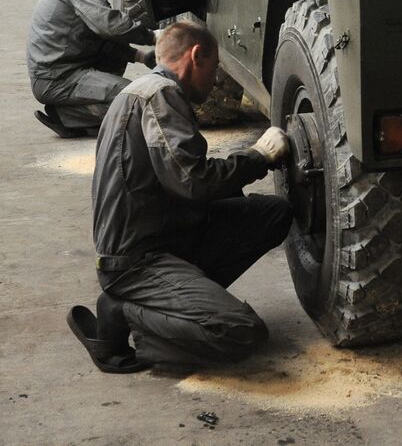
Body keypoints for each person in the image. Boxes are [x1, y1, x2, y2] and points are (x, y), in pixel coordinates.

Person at [67, 22, 292, 372]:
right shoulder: (160, 94)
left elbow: (182, 179)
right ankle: (124, 311)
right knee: (240, 332)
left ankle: (175, 306)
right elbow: (193, 182)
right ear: (196, 56)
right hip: (137, 260)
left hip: (166, 232)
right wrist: (258, 157)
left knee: (272, 214)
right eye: (214, 67)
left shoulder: (142, 92)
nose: (215, 78)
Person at [26, 0, 154, 138]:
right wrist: (154, 37)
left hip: (69, 65)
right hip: (55, 77)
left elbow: (103, 38)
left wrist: (141, 57)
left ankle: (85, 105)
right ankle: (66, 116)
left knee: (115, 57)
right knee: (131, 98)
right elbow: (108, 25)